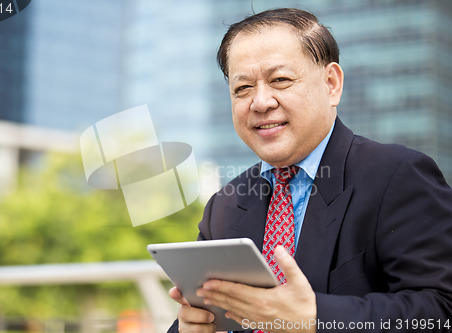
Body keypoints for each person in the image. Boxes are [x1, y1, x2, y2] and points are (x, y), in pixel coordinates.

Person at [167, 8, 452, 333]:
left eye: (280, 80)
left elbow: (440, 310)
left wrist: (315, 318)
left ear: (331, 84)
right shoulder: (224, 206)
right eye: (242, 88)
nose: (260, 102)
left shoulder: (398, 176)